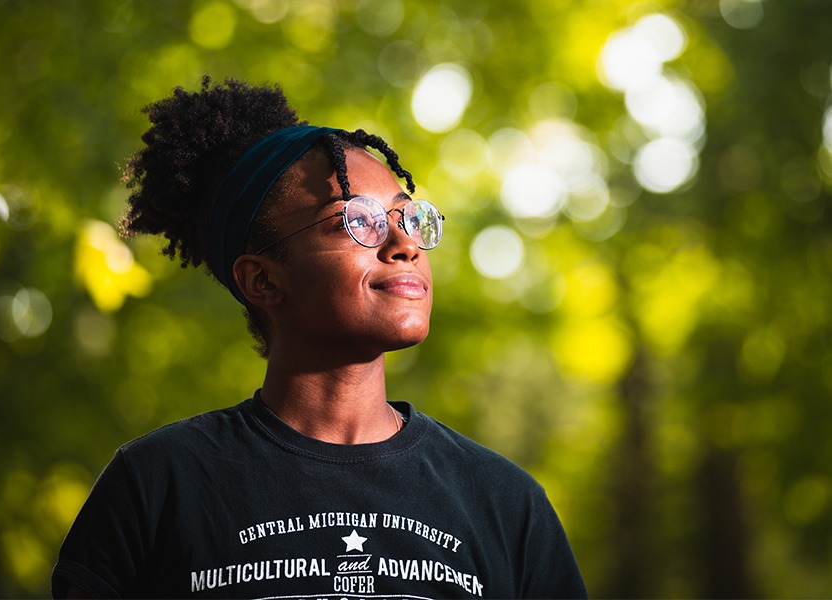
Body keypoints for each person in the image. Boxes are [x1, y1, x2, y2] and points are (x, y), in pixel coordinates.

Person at [51, 76, 587, 599]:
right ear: (262, 280)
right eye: (357, 220)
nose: (404, 243)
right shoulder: (157, 485)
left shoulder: (506, 503)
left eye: (408, 217)